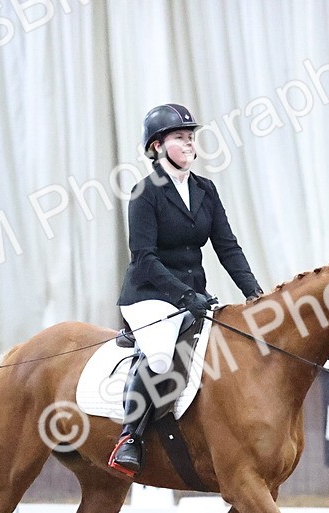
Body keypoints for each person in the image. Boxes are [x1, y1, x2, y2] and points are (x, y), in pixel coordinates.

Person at [108, 103, 264, 477]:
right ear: (158, 146)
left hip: (194, 296)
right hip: (149, 295)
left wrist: (255, 294)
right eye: (180, 137)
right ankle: (129, 437)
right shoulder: (145, 193)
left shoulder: (205, 190)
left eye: (191, 136)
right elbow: (144, 258)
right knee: (163, 358)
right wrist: (184, 295)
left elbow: (227, 247)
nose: (190, 143)